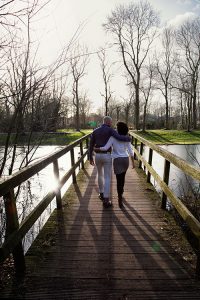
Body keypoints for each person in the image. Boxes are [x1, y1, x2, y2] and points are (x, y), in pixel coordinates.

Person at [89, 116, 131, 208]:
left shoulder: (95, 131)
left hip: (97, 156)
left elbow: (91, 144)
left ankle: (101, 193)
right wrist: (128, 139)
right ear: (108, 122)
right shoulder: (110, 130)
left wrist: (90, 157)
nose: (112, 124)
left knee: (100, 174)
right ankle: (106, 200)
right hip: (107, 155)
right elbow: (119, 137)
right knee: (107, 177)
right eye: (111, 122)